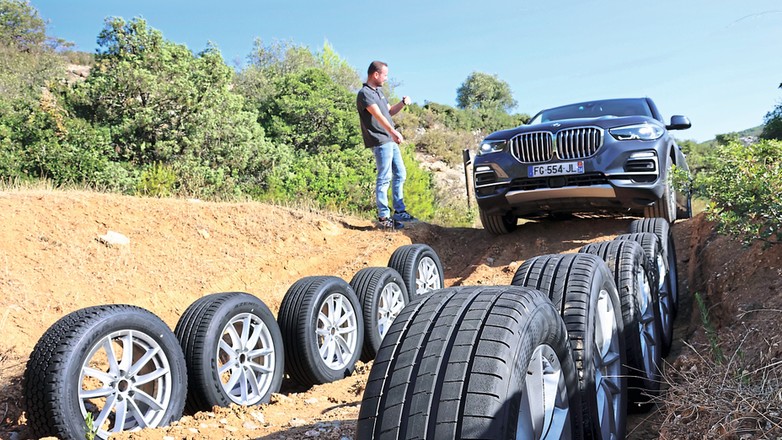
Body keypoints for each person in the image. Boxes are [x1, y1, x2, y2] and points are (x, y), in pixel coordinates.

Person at [356, 61, 417, 230]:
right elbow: (377, 115)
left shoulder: (379, 92)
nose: (386, 78)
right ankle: (384, 216)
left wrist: (402, 103)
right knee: (384, 177)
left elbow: (388, 112)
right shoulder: (364, 93)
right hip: (380, 140)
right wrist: (393, 131)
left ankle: (399, 211)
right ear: (375, 74)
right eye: (385, 74)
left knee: (400, 173)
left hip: (389, 139)